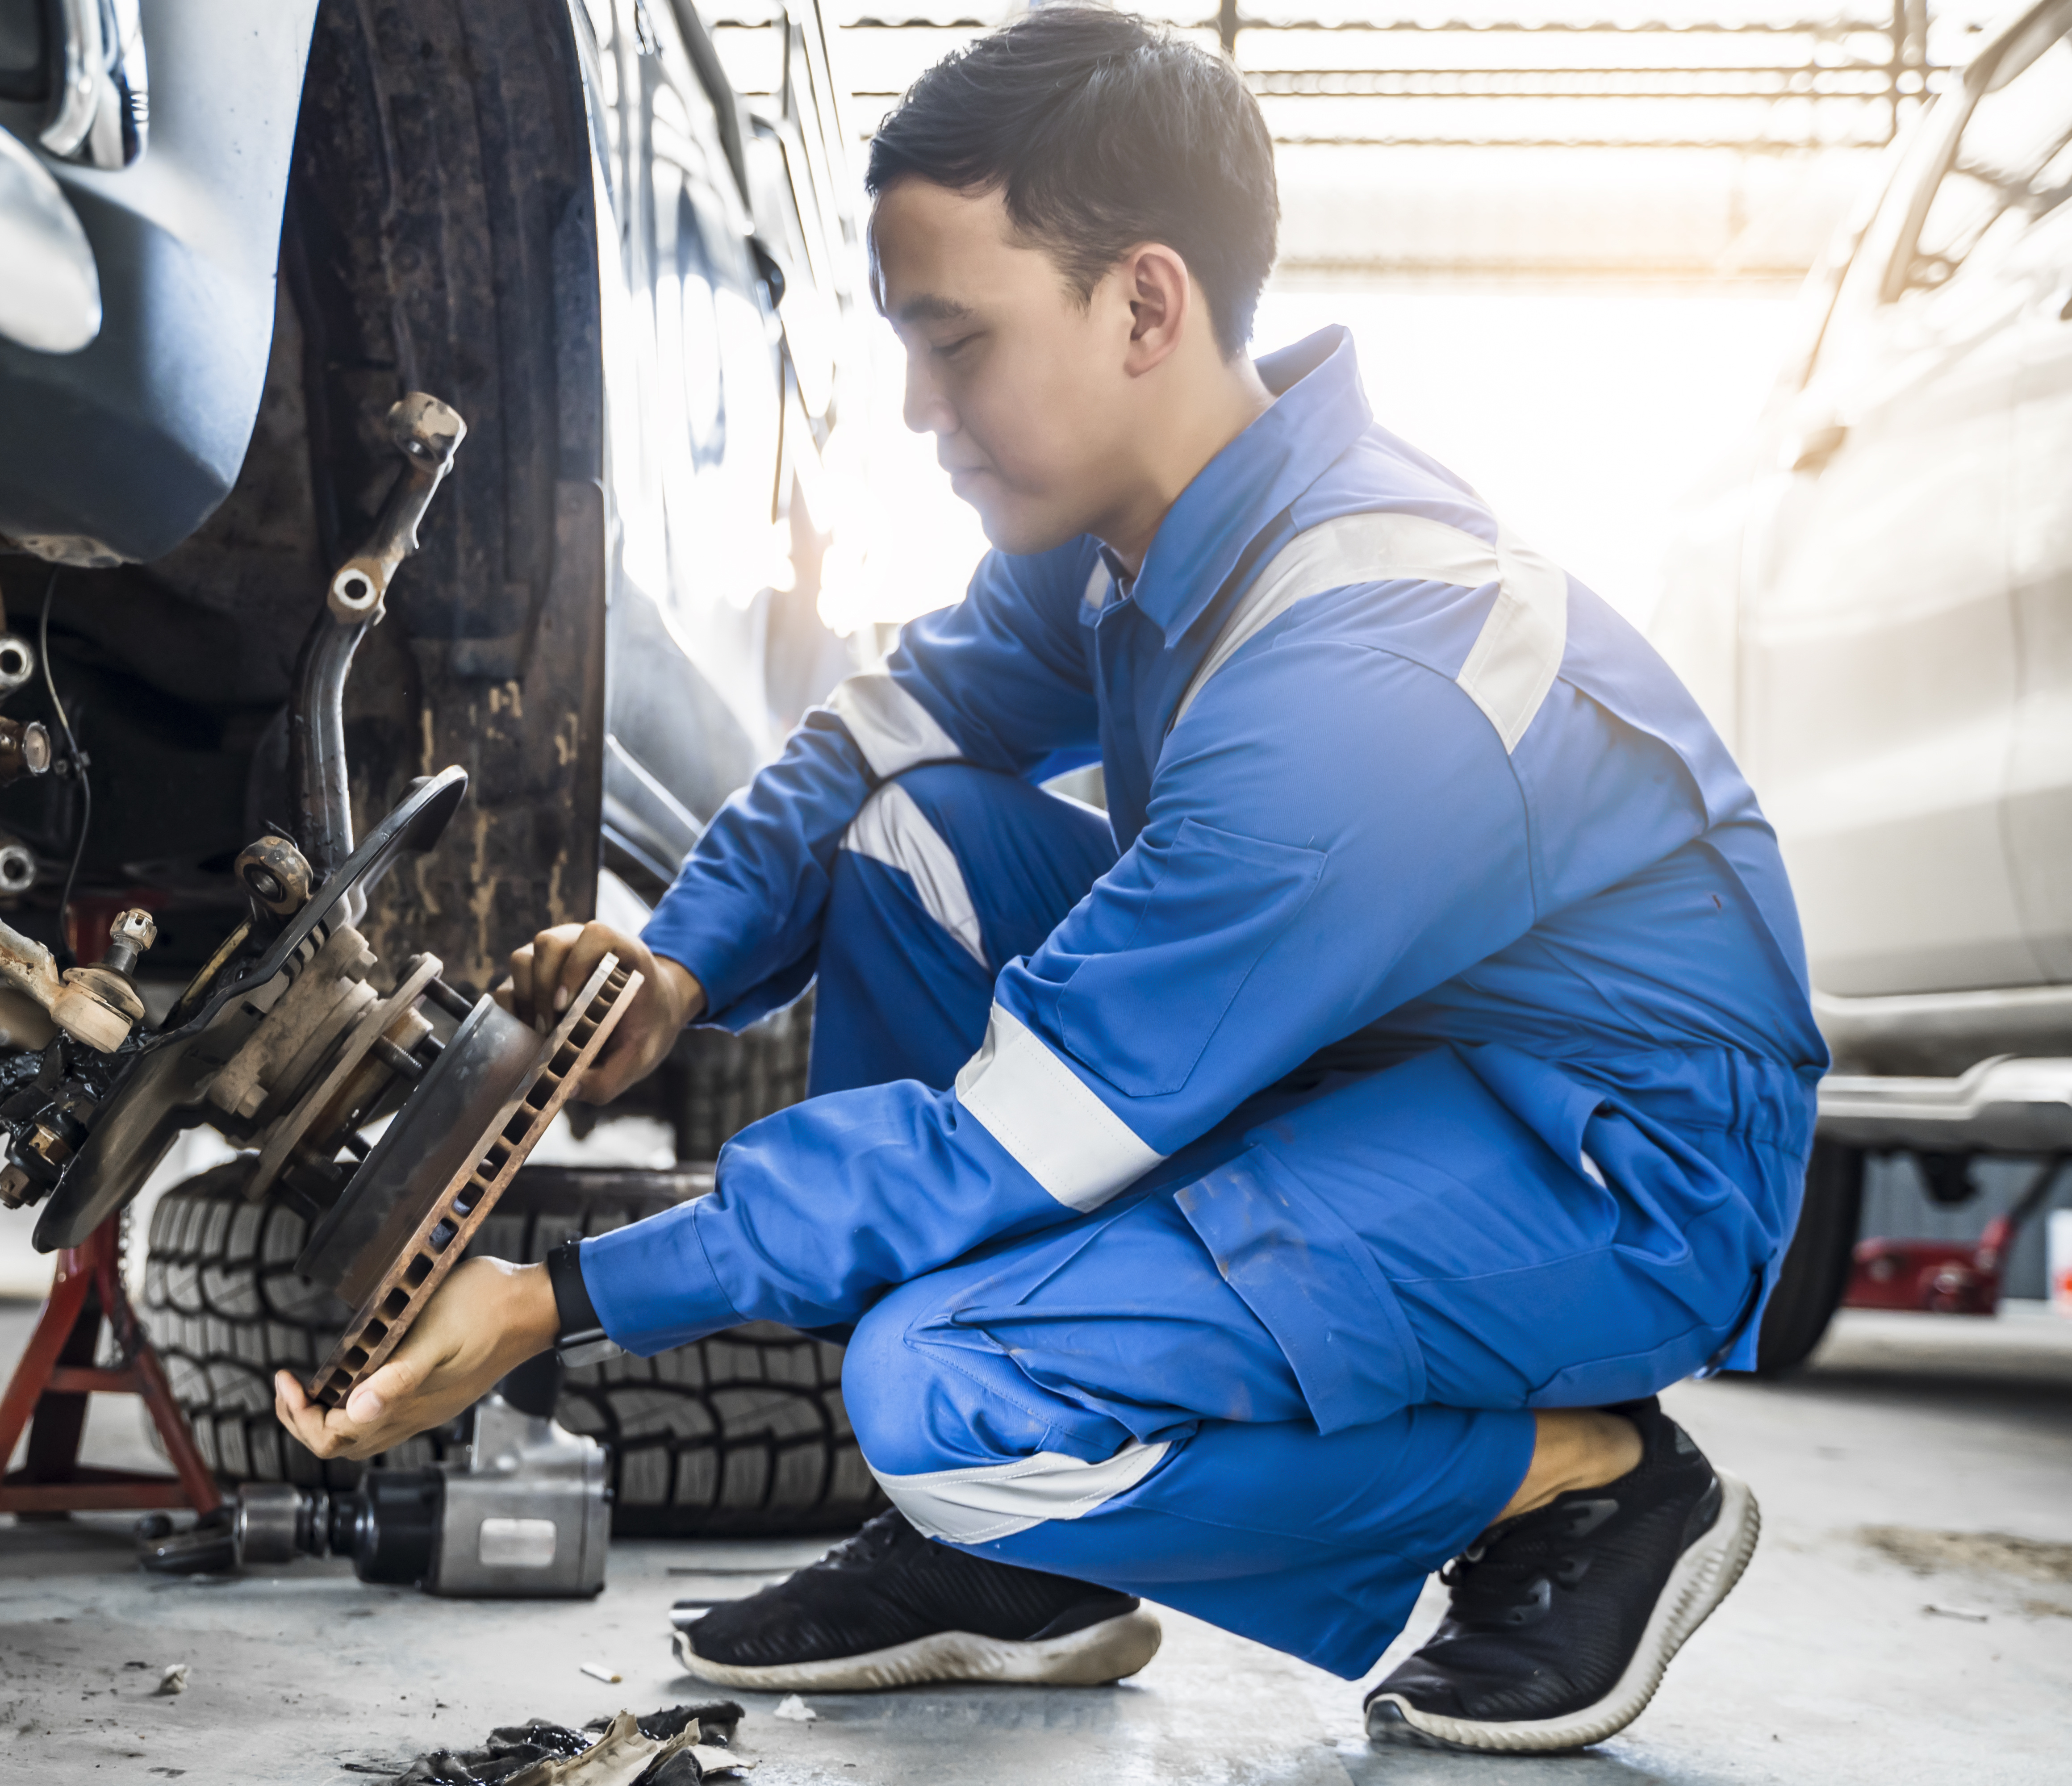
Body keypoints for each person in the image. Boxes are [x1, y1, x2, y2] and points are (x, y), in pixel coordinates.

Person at [278, 5, 1825, 1755]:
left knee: (943, 1393)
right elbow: (861, 747)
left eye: (957, 341)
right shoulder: (1130, 534)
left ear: (1146, 305)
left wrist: (565, 1298)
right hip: (1382, 1063)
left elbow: (1025, 1127)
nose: (923, 406)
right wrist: (684, 969)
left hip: (1613, 1166)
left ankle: (1588, 1481)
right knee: (905, 843)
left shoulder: (1362, 672)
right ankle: (1005, 1573)